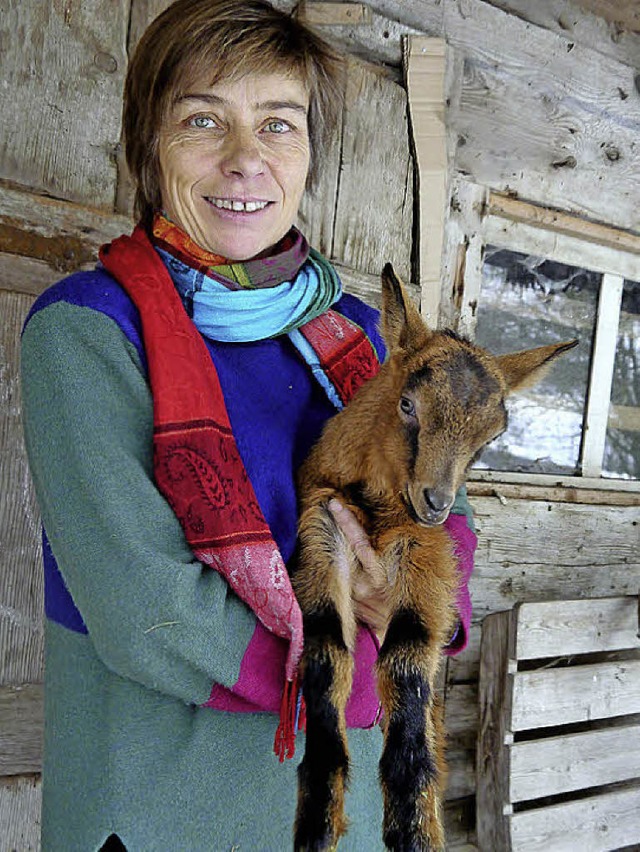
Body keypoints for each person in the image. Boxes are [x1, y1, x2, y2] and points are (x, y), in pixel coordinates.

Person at [20, 1, 477, 849]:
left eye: (278, 124)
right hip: (172, 811)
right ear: (146, 149)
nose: (245, 160)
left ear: (308, 156)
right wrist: (373, 671)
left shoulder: (365, 339)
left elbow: (447, 519)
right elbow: (148, 614)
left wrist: (413, 604)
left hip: (349, 818)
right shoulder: (86, 331)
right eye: (203, 120)